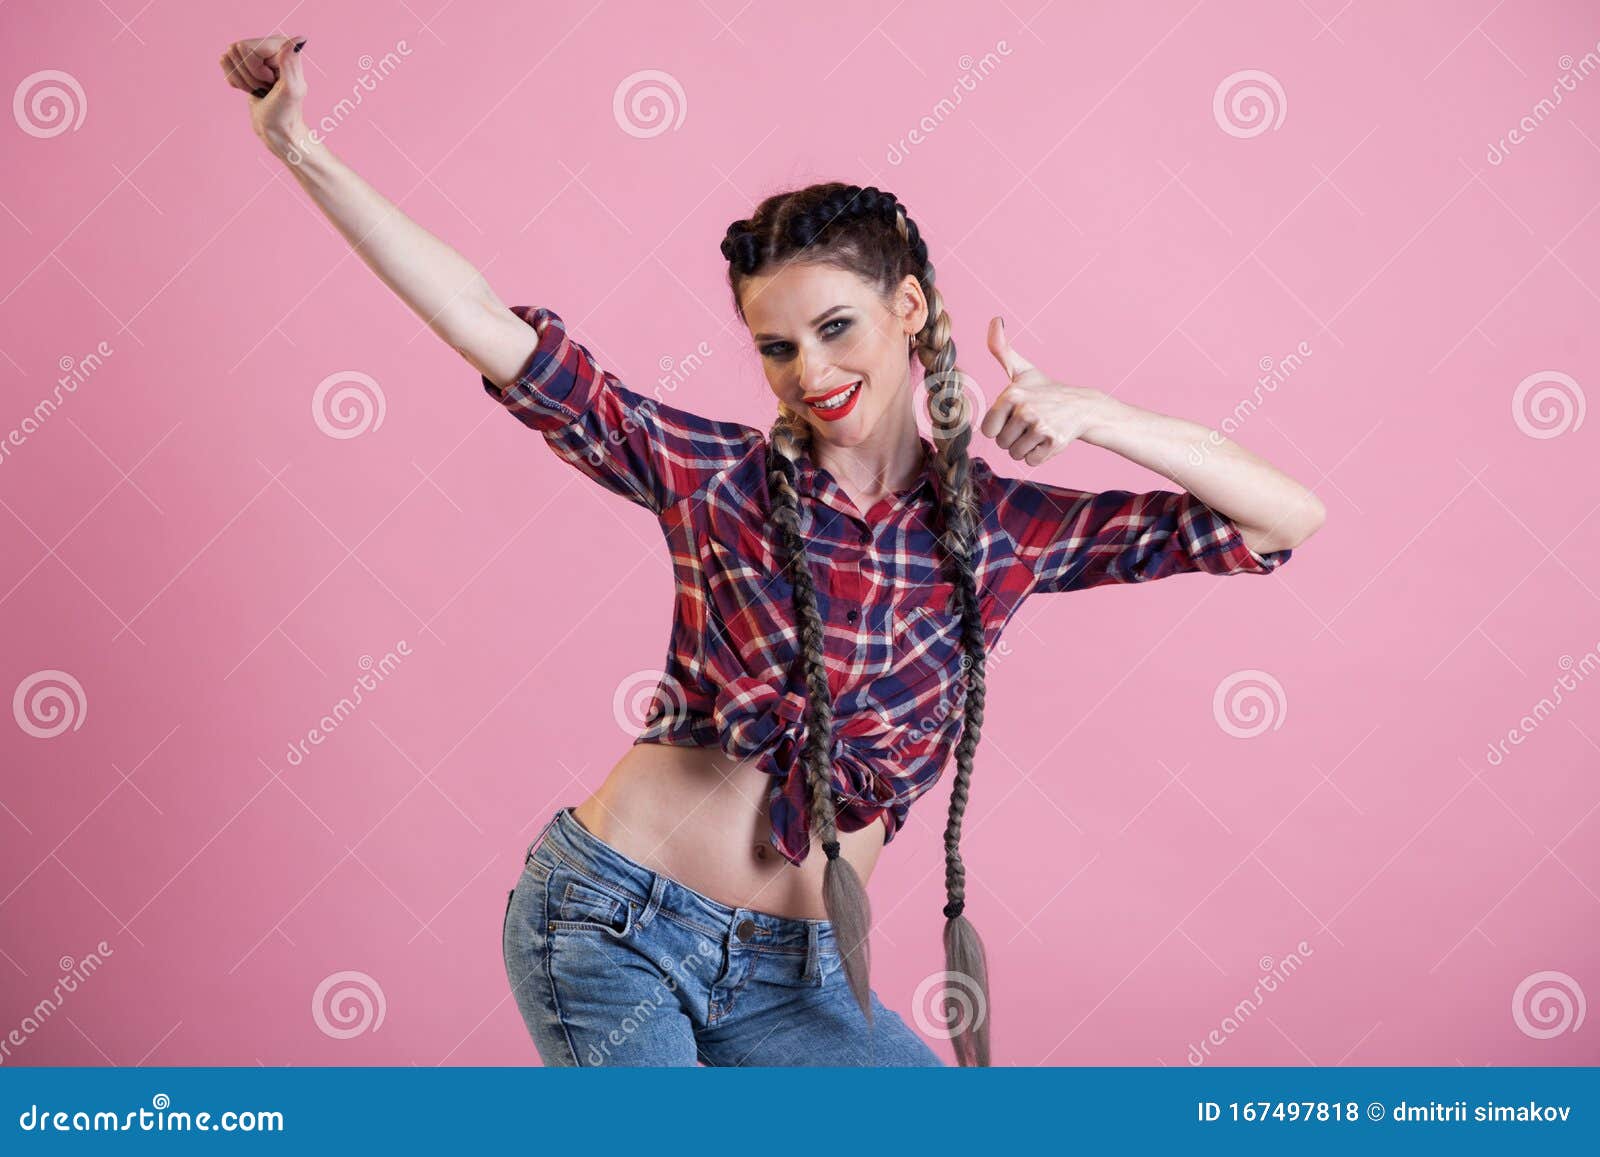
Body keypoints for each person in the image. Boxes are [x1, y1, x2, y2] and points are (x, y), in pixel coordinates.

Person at [220, 35, 1326, 1067]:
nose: (807, 368)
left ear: (910, 309)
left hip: (800, 979)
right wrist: (300, 147)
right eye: (776, 346)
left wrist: (1102, 415)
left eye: (836, 326)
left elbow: (1282, 518)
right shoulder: (718, 477)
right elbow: (479, 320)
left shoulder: (1002, 531)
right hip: (615, 926)